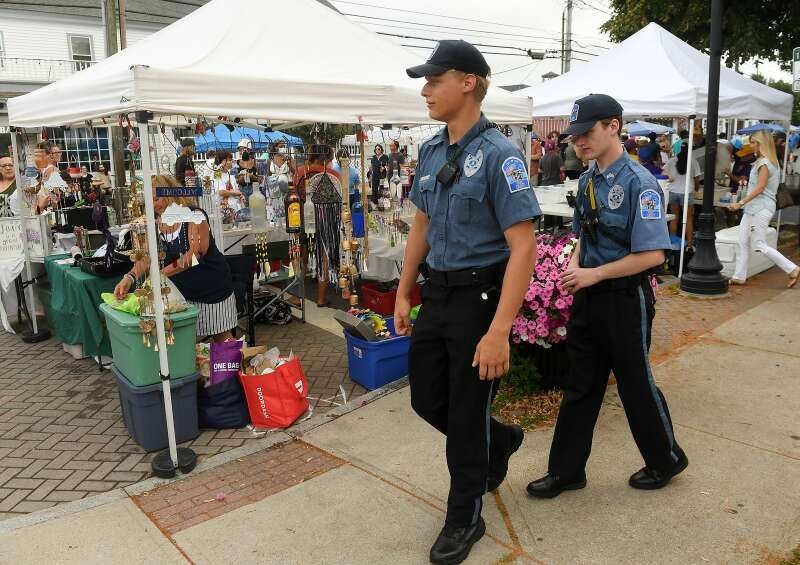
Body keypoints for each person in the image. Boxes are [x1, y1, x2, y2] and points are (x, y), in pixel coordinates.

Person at [398, 39, 540, 564]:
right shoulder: (432, 150)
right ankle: (498, 441)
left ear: (469, 82)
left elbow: (523, 247)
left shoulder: (502, 156)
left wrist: (499, 330)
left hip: (480, 299)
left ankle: (465, 517)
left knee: (465, 414)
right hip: (437, 294)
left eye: (435, 80)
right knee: (425, 397)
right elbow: (421, 223)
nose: (426, 90)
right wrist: (403, 291)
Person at [526, 93, 688, 500]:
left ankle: (666, 459)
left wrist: (593, 273)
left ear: (613, 126)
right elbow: (585, 232)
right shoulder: (588, 180)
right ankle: (566, 471)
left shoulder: (640, 184)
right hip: (589, 296)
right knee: (581, 384)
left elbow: (653, 255)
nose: (578, 142)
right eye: (574, 135)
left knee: (635, 385)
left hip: (624, 298)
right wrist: (573, 264)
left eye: (587, 132)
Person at [114, 174, 237, 341]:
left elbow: (195, 255)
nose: (154, 205)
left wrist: (160, 274)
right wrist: (129, 277)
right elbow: (147, 257)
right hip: (182, 292)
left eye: (157, 199)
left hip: (212, 288)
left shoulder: (195, 216)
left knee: (222, 338)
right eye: (149, 201)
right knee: (184, 341)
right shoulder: (155, 223)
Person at [728, 130, 799, 287]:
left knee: (759, 244)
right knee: (742, 241)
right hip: (754, 208)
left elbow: (760, 188)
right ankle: (739, 276)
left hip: (761, 208)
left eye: (754, 143)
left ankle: (792, 269)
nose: (751, 145)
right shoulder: (765, 161)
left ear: (762, 144)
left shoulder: (764, 163)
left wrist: (740, 203)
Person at [294, 145, 342, 307]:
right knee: (324, 257)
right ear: (326, 159)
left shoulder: (300, 172)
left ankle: (297, 296)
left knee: (302, 256)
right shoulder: (334, 175)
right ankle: (321, 298)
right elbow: (340, 198)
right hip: (326, 222)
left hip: (304, 218)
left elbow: (295, 195)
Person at [662, 142, 699, 248]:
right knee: (688, 219)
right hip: (687, 193)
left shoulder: (671, 161)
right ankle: (690, 245)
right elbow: (696, 179)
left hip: (673, 192)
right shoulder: (693, 161)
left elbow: (663, 173)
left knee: (674, 218)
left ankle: (673, 244)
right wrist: (696, 189)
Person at [212, 150, 245, 221]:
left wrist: (241, 196)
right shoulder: (217, 174)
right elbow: (220, 192)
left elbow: (236, 190)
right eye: (229, 160)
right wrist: (236, 193)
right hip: (223, 211)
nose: (232, 161)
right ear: (223, 162)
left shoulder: (230, 174)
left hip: (234, 209)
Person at [234, 138, 261, 206]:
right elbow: (236, 180)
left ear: (248, 150)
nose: (241, 151)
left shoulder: (254, 161)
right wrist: (242, 177)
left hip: (253, 188)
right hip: (242, 189)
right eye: (239, 150)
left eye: (242, 149)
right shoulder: (237, 162)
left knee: (255, 207)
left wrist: (251, 176)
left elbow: (259, 179)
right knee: (244, 208)